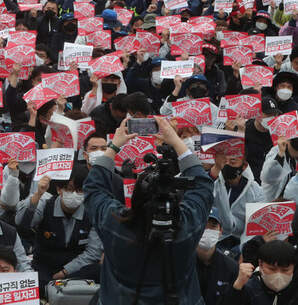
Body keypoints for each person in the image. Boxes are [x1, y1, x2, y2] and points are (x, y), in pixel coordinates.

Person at [85, 116, 215, 304]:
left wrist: (114, 146)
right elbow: (202, 186)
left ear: (134, 200)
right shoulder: (187, 224)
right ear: (175, 200)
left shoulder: (114, 223)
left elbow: (94, 188)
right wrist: (177, 141)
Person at [218, 239, 298, 304]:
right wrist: (237, 286)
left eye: (285, 270)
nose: (278, 275)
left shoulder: (294, 292)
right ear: (260, 264)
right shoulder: (248, 290)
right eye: (272, 269)